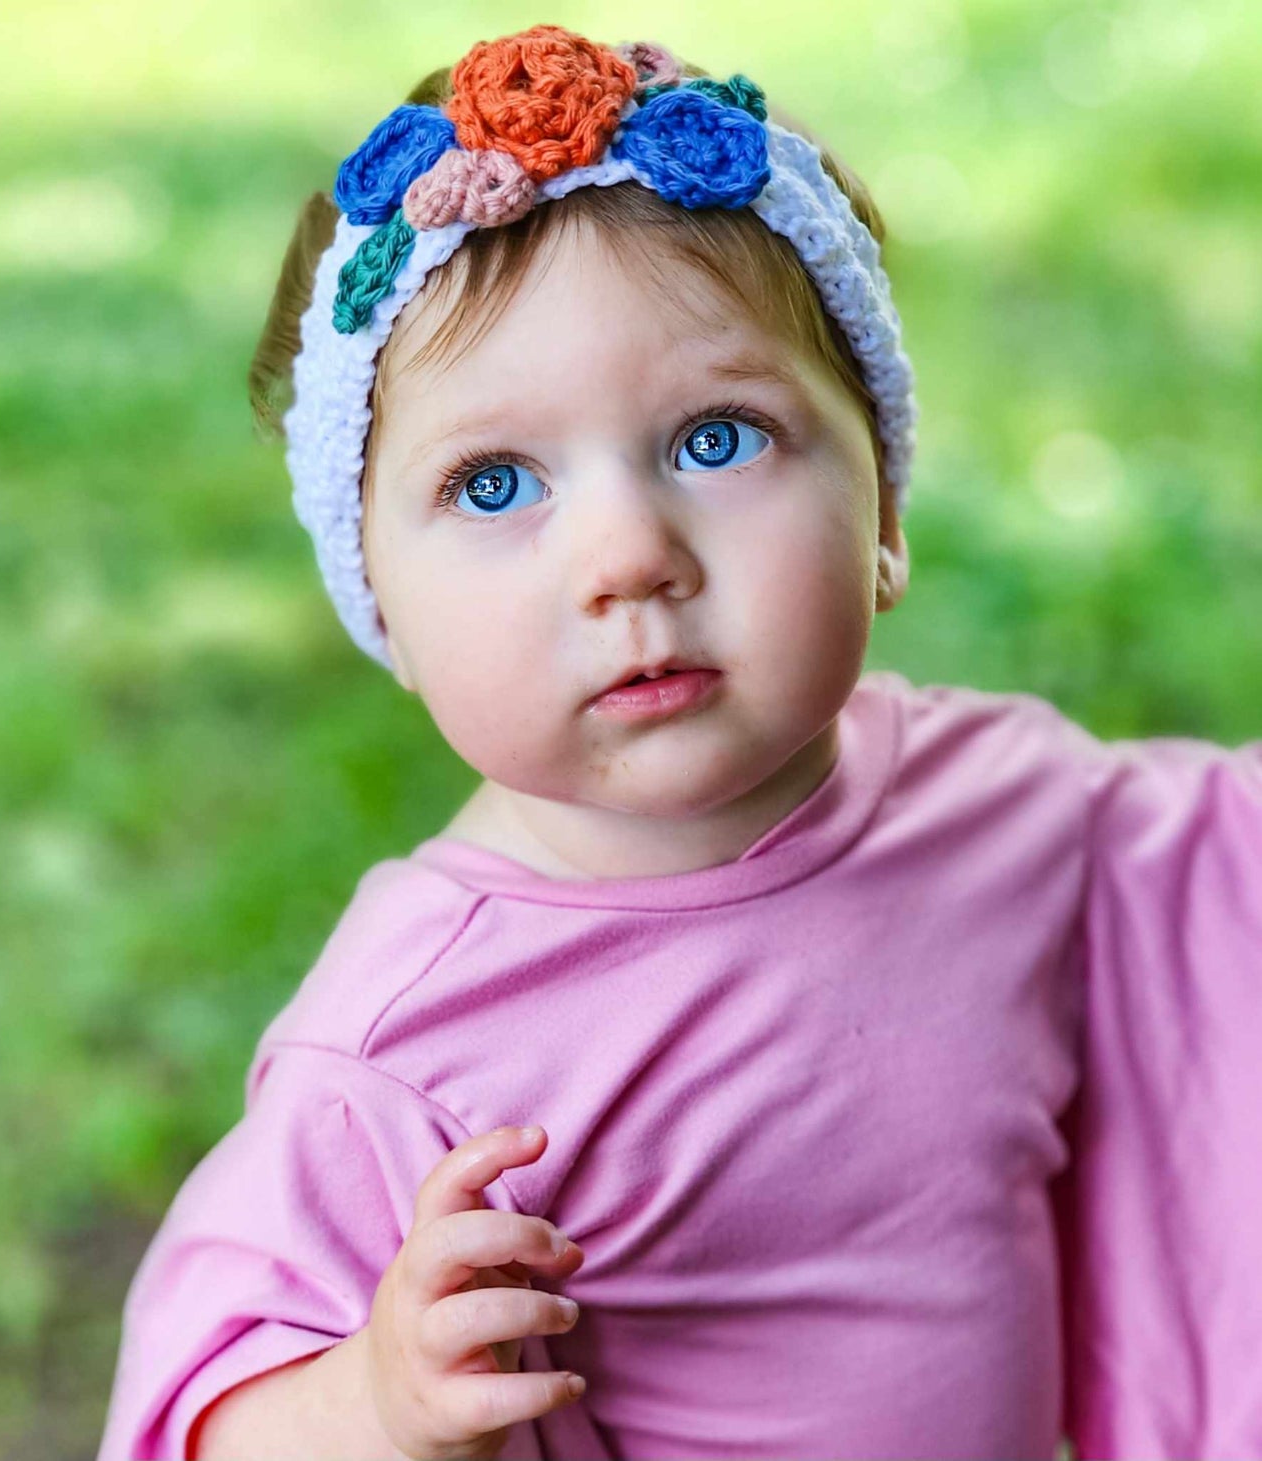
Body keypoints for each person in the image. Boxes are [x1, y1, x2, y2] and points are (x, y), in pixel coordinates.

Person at [95, 24, 1261, 1461]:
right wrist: (378, 1401)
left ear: (882, 513)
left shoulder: (1012, 808)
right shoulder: (412, 1049)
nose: (626, 556)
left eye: (716, 438)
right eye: (494, 479)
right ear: (375, 598)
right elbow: (203, 1421)